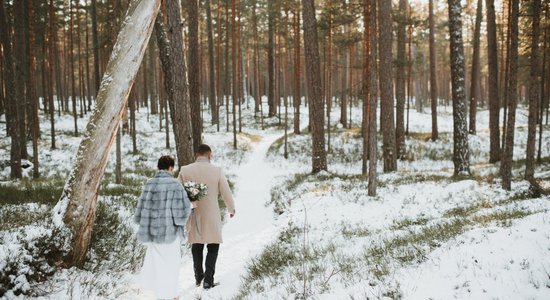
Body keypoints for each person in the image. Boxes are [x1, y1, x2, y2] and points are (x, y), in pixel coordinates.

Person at [178, 144, 236, 290]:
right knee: (213, 245)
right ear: (209, 155)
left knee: (197, 245)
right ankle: (208, 280)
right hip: (212, 214)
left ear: (196, 155)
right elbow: (226, 192)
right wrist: (231, 208)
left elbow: (177, 192)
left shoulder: (185, 170)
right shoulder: (216, 170)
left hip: (194, 213)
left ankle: (199, 276)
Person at [134, 155, 191, 300]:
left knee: (157, 267)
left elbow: (140, 211)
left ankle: (161, 295)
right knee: (171, 266)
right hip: (170, 234)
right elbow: (181, 215)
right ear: (171, 168)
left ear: (158, 167)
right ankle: (171, 295)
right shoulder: (175, 185)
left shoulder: (149, 184)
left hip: (153, 233)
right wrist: (191, 206)